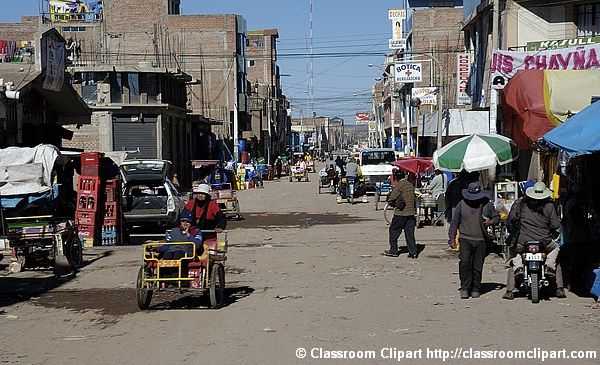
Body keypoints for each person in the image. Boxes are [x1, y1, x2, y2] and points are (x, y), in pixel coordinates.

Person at [502, 182, 564, 300]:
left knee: (513, 252)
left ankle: (515, 275)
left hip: (522, 242)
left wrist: (512, 232)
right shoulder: (549, 206)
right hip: (544, 242)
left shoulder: (520, 204)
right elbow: (555, 224)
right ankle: (554, 275)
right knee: (556, 249)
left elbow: (510, 221)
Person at [448, 181, 499, 299]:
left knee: (477, 265)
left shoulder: (486, 204)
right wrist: (452, 238)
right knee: (465, 263)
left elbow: (496, 217)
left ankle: (476, 288)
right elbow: (454, 223)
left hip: (481, 240)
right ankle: (465, 287)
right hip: (465, 239)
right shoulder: (462, 204)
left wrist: (490, 222)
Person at [384, 168, 418, 258]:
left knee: (393, 231)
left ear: (396, 178)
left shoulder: (399, 186)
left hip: (400, 213)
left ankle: (393, 250)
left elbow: (391, 198)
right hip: (411, 213)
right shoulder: (410, 185)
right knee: (409, 234)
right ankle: (413, 252)